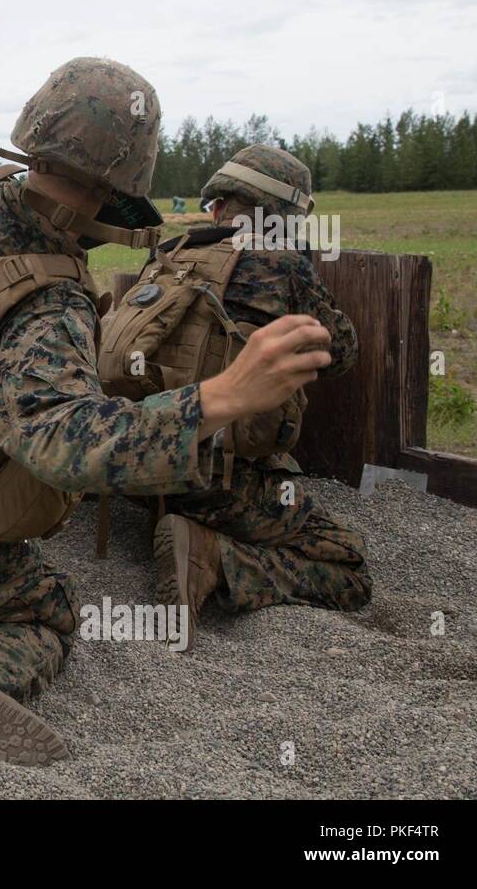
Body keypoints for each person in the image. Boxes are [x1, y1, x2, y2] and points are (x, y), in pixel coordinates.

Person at [0, 57, 336, 765]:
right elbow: (56, 440)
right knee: (44, 614)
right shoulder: (51, 295)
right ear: (128, 178)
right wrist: (223, 397)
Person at [118, 146, 371, 651]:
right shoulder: (284, 267)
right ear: (285, 218)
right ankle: (215, 556)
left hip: (136, 460)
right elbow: (340, 353)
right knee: (348, 567)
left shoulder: (171, 251)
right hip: (214, 478)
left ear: (218, 204)